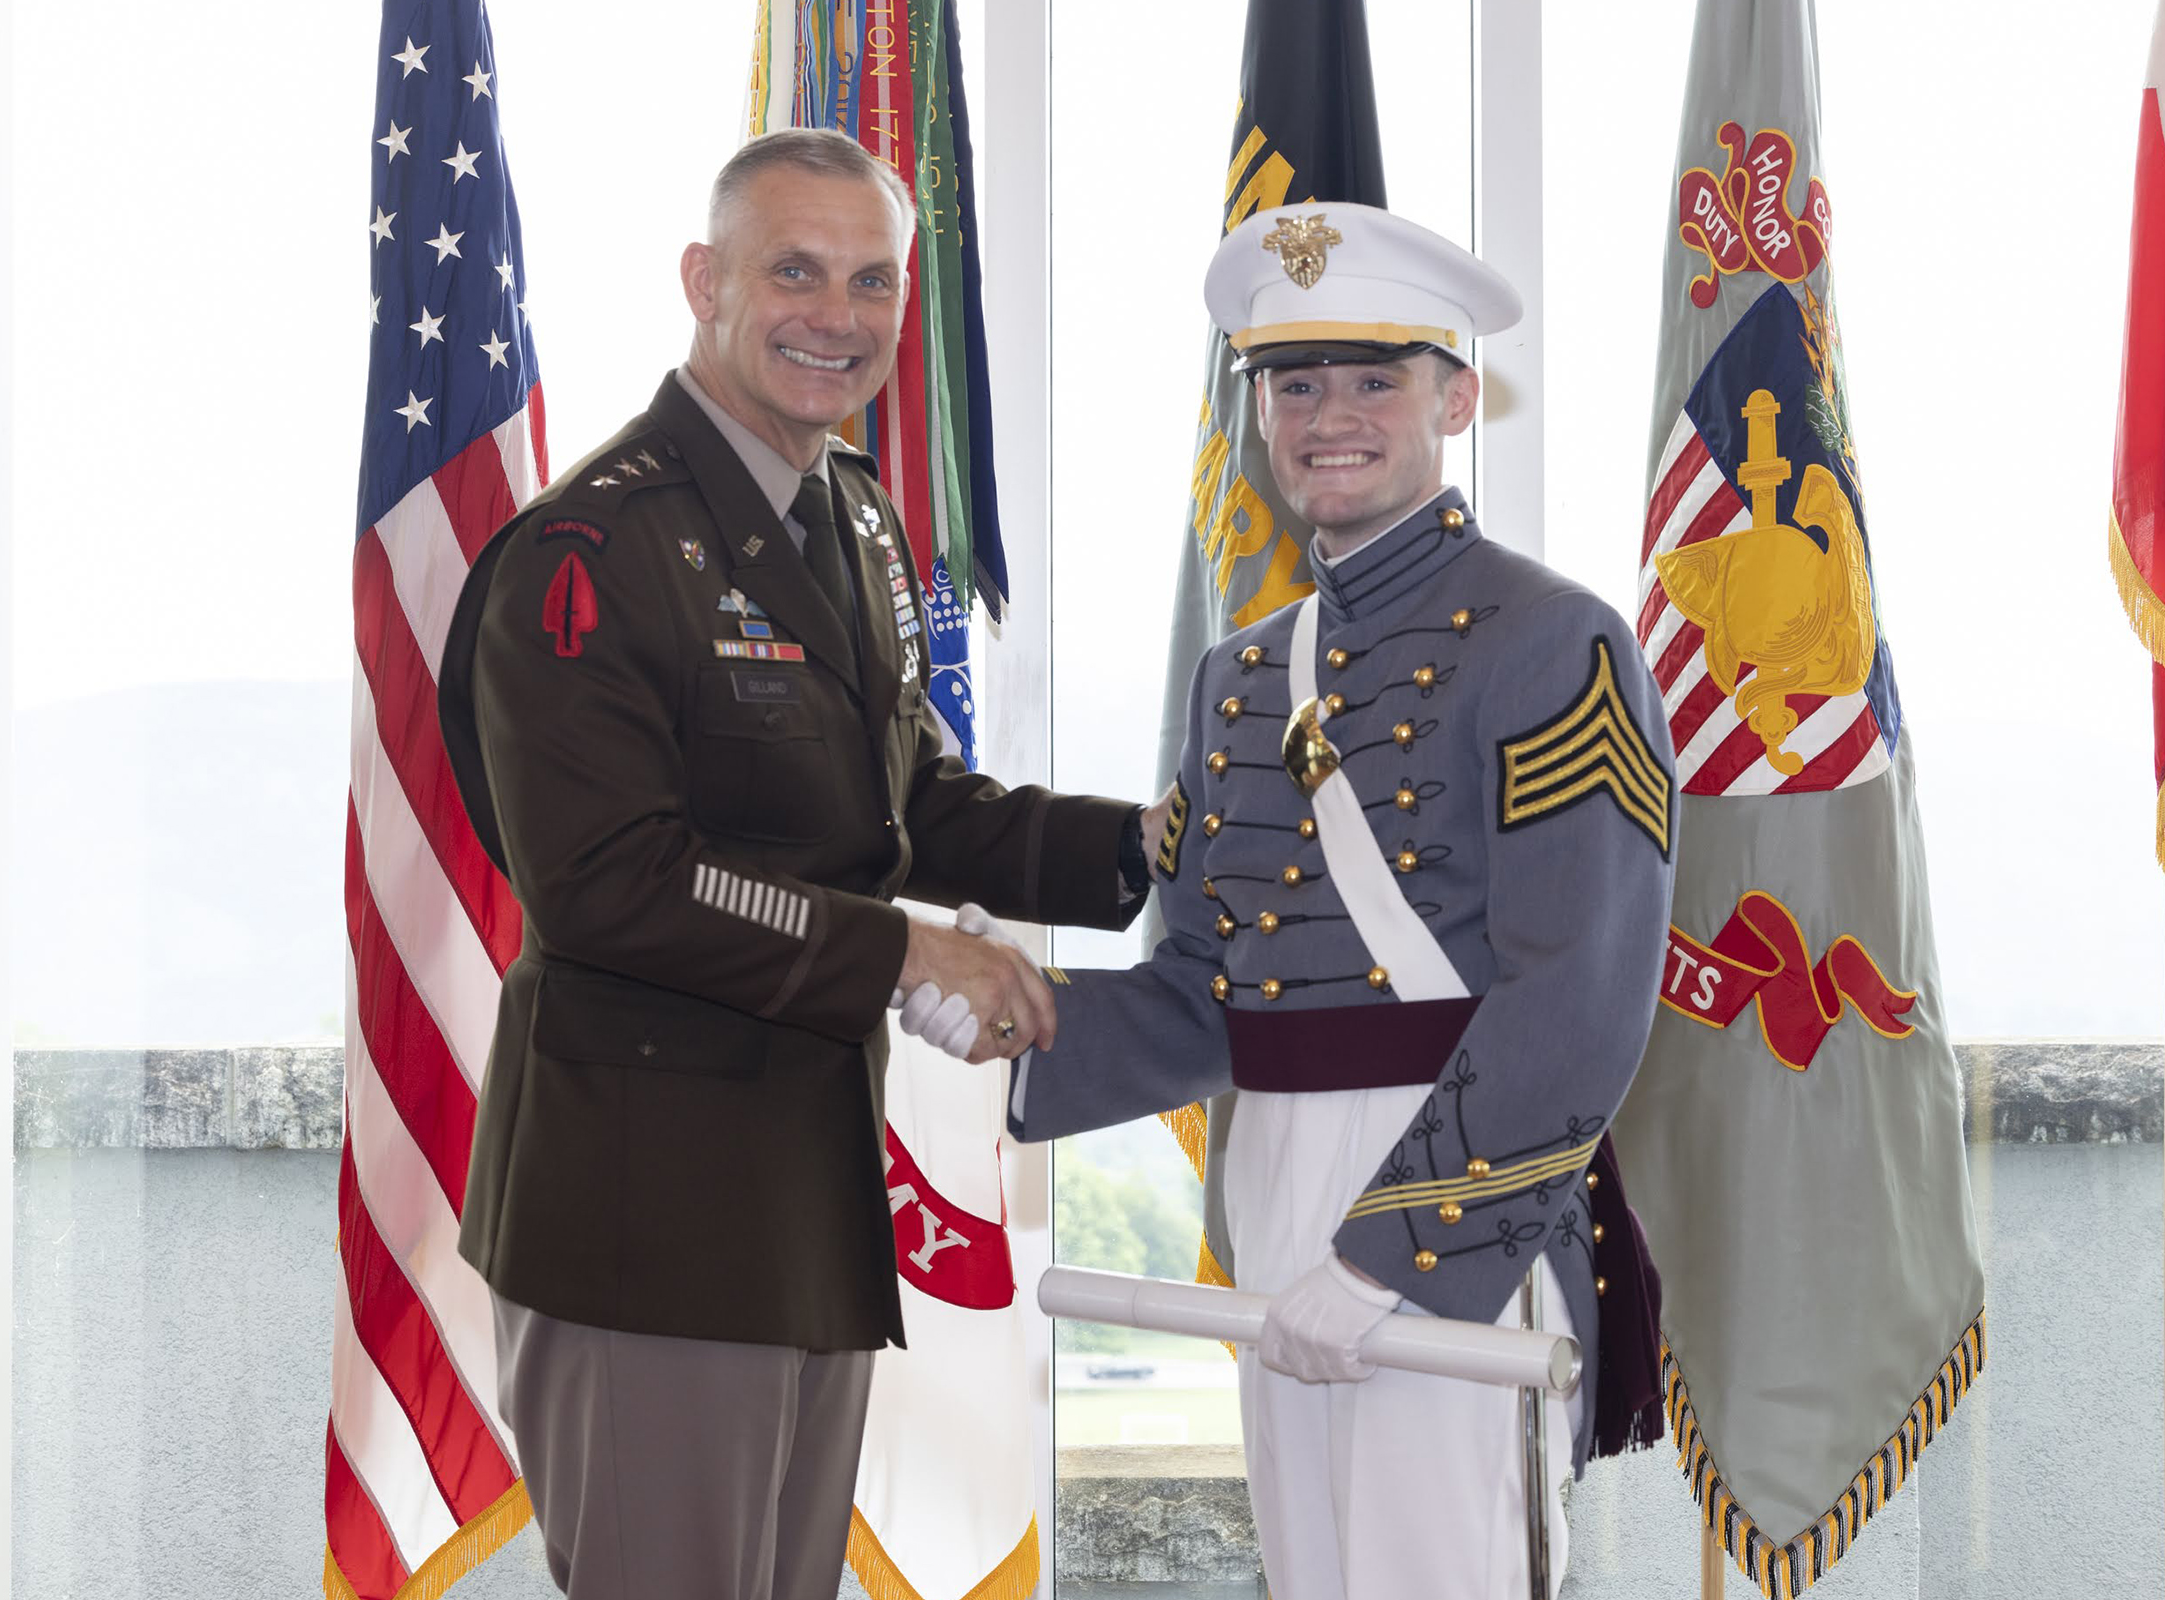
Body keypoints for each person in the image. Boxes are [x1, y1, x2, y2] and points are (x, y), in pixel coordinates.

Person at [436, 128, 1155, 1600]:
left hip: (801, 1206)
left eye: (872, 280)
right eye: (796, 272)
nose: (839, 315)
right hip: (647, 1218)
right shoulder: (594, 549)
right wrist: (904, 951)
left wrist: (1159, 848)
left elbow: (907, 808)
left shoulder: (855, 517)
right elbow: (611, 883)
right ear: (704, 282)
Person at [1003, 202, 1678, 1597]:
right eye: (1295, 384)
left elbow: (1579, 993)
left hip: (1453, 1193)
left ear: (1458, 398)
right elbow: (1209, 993)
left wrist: (1391, 1258)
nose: (1330, 418)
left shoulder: (1558, 641)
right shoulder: (1243, 671)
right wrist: (1011, 1033)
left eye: (1375, 378)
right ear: (1259, 409)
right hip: (1274, 1181)